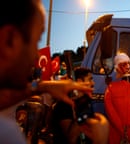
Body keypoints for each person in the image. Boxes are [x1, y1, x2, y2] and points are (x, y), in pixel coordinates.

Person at [0, 0, 109, 143]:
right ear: (10, 40)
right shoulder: (7, 133)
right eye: (36, 41)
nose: (37, 56)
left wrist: (41, 87)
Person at [52, 67, 98, 144]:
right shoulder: (64, 105)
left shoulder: (85, 101)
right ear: (79, 82)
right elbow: (71, 139)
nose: (93, 83)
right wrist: (81, 116)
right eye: (90, 79)